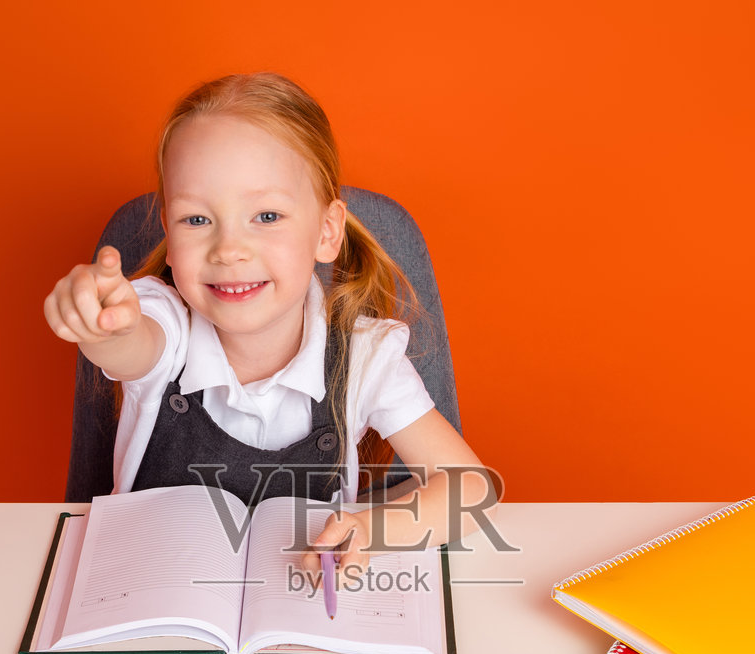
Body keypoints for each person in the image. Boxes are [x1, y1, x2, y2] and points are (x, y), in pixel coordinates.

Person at [44, 72, 492, 577]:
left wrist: (371, 530)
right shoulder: (163, 318)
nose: (229, 249)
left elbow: (473, 489)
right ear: (169, 234)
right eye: (197, 220)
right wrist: (105, 325)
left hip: (302, 603)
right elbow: (132, 344)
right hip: (150, 594)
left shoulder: (367, 355)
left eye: (267, 216)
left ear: (326, 233)